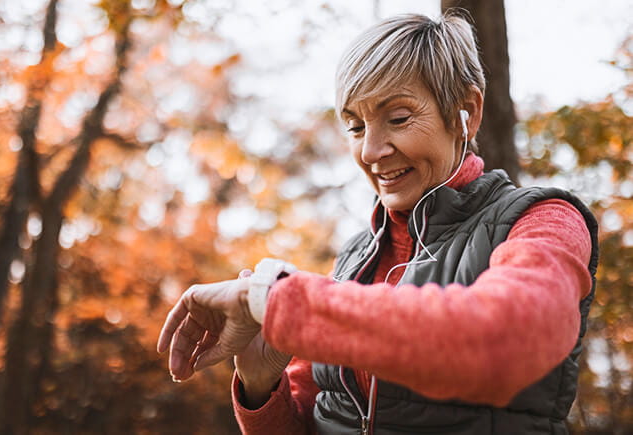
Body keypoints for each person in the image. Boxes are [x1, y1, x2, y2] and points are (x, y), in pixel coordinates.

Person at [157, 12, 598, 435]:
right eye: (354, 126)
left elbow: (504, 343)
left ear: (467, 112)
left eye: (399, 118)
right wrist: (260, 386)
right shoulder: (353, 258)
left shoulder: (542, 220)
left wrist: (272, 301)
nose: (370, 151)